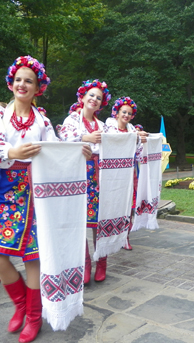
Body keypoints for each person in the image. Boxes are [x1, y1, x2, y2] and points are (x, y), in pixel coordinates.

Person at [0, 56, 91, 343]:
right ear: (11, 83)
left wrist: (80, 152)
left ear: (38, 87)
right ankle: (20, 305)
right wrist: (12, 153)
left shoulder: (42, 120)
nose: (22, 84)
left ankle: (33, 316)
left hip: (39, 194)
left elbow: (56, 151)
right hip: (8, 191)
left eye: (29, 80)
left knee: (33, 257)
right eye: (18, 79)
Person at [58, 79, 111, 284]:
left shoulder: (103, 125)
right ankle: (85, 263)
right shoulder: (72, 119)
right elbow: (64, 138)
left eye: (98, 97)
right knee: (80, 219)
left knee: (99, 220)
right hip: (78, 172)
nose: (95, 99)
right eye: (91, 95)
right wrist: (86, 137)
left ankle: (102, 261)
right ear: (82, 97)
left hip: (99, 174)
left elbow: (114, 143)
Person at [105, 97, 148, 250]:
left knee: (129, 205)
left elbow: (138, 153)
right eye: (124, 112)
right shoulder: (108, 128)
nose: (126, 115)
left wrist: (141, 141)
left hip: (130, 172)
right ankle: (110, 235)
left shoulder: (132, 131)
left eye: (129, 113)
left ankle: (125, 237)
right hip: (113, 174)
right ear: (116, 113)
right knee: (114, 204)